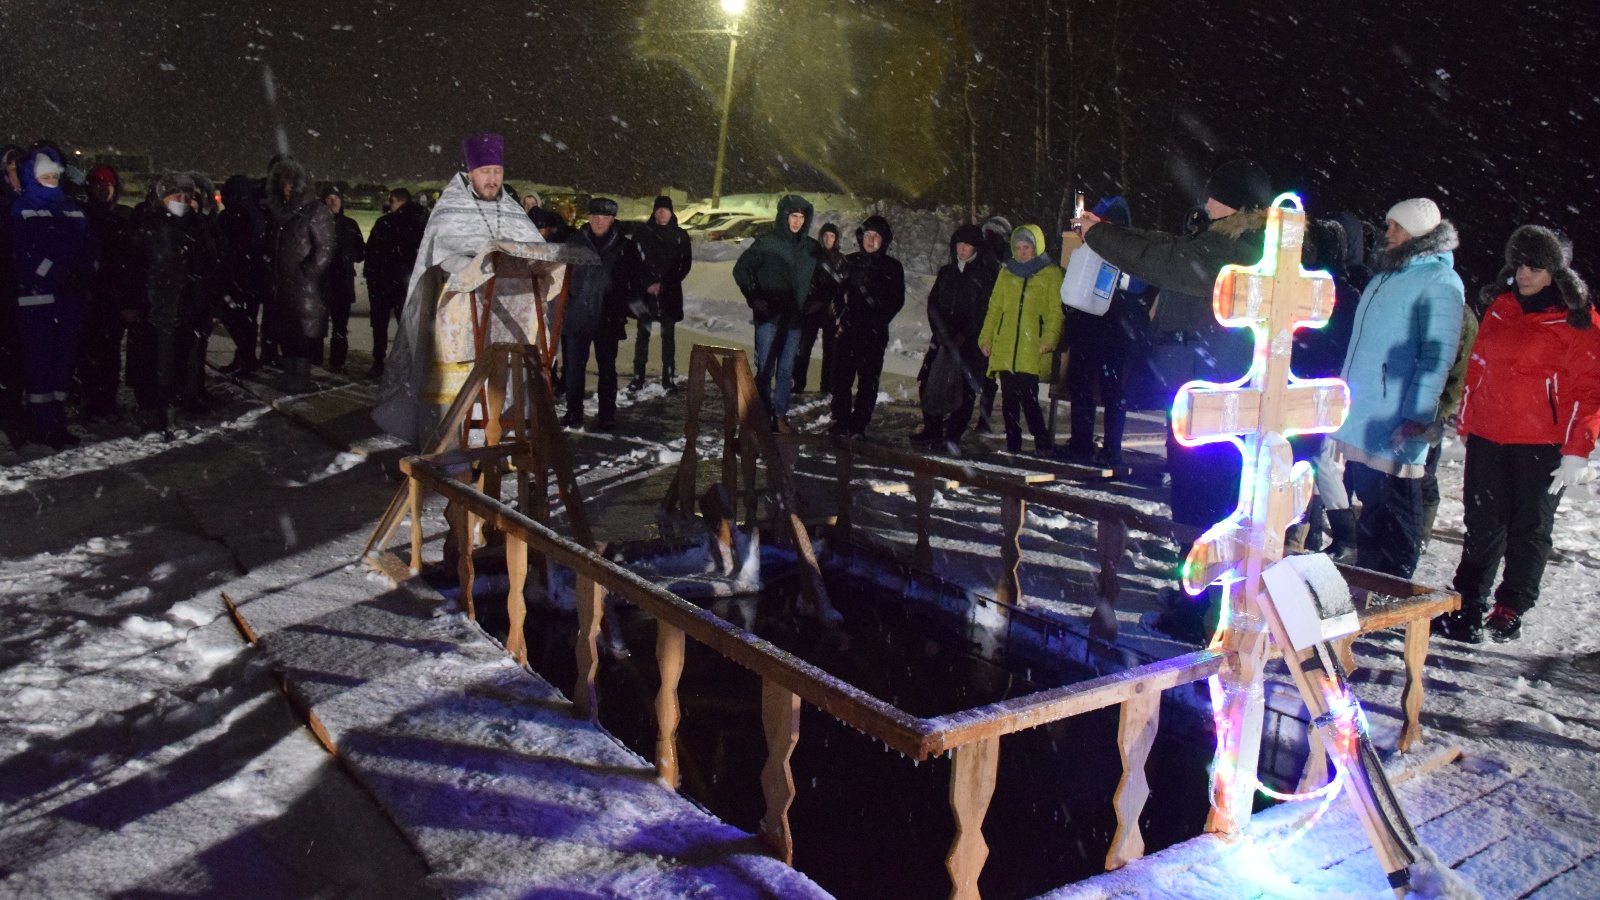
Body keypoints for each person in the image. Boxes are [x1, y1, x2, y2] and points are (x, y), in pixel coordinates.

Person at [1072, 159, 1275, 642]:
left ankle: (1199, 612)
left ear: (1233, 204)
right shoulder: (1236, 243)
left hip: (1212, 394)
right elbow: (1168, 246)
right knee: (1203, 497)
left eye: (1213, 197)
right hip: (1211, 388)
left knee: (1200, 501)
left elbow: (1164, 259)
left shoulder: (1235, 249)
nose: (1205, 203)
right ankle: (1198, 598)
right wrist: (1108, 231)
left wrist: (1099, 237)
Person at [1435, 226, 1598, 644]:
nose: (1524, 274)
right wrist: (1468, 420)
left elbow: (1590, 391)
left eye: (1535, 267)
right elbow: (1478, 367)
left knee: (1529, 529)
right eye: (1520, 264)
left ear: (1556, 272)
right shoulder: (1501, 307)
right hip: (1489, 437)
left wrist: (1577, 449)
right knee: (1482, 526)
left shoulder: (1577, 321)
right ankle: (1467, 607)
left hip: (1542, 445)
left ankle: (1511, 607)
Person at [1325, 198, 1465, 580]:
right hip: (1365, 413)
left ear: (1418, 232)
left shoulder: (1440, 281)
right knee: (1371, 506)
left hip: (1396, 418)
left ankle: (1396, 585)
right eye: (1388, 225)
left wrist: (1416, 419)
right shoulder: (1386, 276)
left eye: (1396, 226)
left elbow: (1437, 357)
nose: (1388, 233)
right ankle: (1370, 581)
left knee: (1399, 510)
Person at [374, 133, 545, 446]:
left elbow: (537, 252)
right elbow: (441, 256)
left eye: (497, 172)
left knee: (502, 379)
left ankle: (498, 444)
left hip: (505, 316)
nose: (492, 179)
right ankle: (453, 446)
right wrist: (479, 266)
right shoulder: (450, 209)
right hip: (461, 313)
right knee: (460, 382)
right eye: (486, 172)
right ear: (471, 174)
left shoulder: (513, 211)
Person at [7, 146, 97, 448]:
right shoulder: (22, 210)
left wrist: (83, 271)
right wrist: (58, 271)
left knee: (63, 364)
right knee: (40, 366)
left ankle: (57, 422)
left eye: (53, 176)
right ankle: (42, 425)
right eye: (44, 176)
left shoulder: (71, 208)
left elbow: (89, 247)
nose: (50, 180)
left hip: (70, 299)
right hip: (39, 301)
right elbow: (26, 256)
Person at [1059, 196, 1153, 467]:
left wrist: (1119, 278)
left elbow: (1139, 285)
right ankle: (1081, 443)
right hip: (1089, 326)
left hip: (1114, 330)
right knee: (1081, 384)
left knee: (1112, 390)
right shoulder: (1091, 247)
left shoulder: (1130, 250)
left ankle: (1111, 449)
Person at [732, 194, 821, 431]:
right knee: (765, 369)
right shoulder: (767, 243)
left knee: (786, 370)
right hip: (769, 317)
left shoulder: (810, 248)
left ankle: (780, 416)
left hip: (794, 319)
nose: (797, 221)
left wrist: (817, 300)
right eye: (793, 216)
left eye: (802, 217)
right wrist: (754, 297)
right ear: (784, 216)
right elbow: (741, 270)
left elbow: (827, 277)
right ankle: (762, 414)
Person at [126, 172, 201, 435]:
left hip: (183, 309)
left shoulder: (194, 227)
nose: (182, 201)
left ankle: (170, 412)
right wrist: (132, 302)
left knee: (177, 364)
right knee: (152, 363)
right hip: (152, 309)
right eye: (176, 196)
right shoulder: (149, 225)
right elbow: (133, 268)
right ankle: (150, 409)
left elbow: (206, 268)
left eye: (186, 197)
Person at [912, 223, 997, 453]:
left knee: (964, 391)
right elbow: (933, 304)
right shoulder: (947, 273)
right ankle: (932, 429)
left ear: (975, 248)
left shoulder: (984, 276)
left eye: (967, 245)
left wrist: (964, 335)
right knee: (928, 382)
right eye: (959, 244)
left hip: (968, 343)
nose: (962, 249)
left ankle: (953, 437)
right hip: (942, 339)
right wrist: (940, 331)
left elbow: (983, 310)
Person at [979, 224, 1063, 454]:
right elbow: (994, 309)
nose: (1022, 252)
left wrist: (1049, 338)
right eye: (1018, 247)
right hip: (1006, 346)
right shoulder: (1007, 274)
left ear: (1036, 247)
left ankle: (1041, 442)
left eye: (1026, 247)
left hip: (1032, 347)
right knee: (1008, 399)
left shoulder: (1051, 274)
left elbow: (1055, 311)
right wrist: (986, 338)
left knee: (1029, 397)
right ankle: (1013, 444)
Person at [264, 156, 335, 392]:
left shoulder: (316, 211)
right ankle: (290, 373)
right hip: (285, 286)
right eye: (282, 184)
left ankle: (301, 376)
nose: (286, 189)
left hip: (305, 288)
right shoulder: (282, 214)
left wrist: (306, 272)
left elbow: (325, 248)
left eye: (290, 184)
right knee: (288, 331)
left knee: (303, 333)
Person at [831, 215, 905, 438]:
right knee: (841, 379)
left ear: (884, 240)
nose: (871, 240)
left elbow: (897, 300)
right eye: (867, 235)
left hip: (874, 333)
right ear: (860, 237)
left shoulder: (892, 267)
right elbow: (836, 292)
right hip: (848, 330)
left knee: (868, 381)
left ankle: (859, 425)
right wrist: (840, 317)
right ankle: (841, 421)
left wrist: (877, 319)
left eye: (876, 236)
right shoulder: (849, 262)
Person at [561, 198, 631, 430]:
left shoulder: (623, 246)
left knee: (607, 368)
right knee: (574, 368)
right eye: (595, 217)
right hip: (578, 314)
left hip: (608, 316)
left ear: (612, 220)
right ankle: (573, 413)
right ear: (588, 218)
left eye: (605, 217)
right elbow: (560, 275)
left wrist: (629, 305)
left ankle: (606, 414)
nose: (599, 221)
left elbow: (633, 280)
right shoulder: (575, 242)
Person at [76, 163, 134, 420]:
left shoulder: (123, 217)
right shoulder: (82, 215)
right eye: (98, 184)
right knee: (88, 352)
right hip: (88, 295)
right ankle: (91, 401)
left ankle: (107, 401)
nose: (103, 189)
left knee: (110, 353)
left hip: (114, 296)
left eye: (108, 184)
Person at [627, 196, 692, 394]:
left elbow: (684, 264)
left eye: (666, 209)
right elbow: (634, 260)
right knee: (643, 334)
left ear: (671, 212)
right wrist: (647, 283)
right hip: (646, 292)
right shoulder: (643, 232)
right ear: (654, 211)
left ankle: (668, 378)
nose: (662, 213)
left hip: (669, 293)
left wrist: (664, 284)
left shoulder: (680, 235)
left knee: (668, 336)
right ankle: (638, 377)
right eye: (659, 209)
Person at [363, 188, 428, 379]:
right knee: (406, 326)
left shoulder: (386, 223)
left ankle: (380, 362)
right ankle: (407, 365)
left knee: (382, 325)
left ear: (400, 201)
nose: (389, 204)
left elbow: (372, 252)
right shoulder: (420, 222)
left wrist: (373, 276)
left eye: (391, 201)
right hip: (404, 281)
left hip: (386, 281)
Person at [215, 174, 269, 375]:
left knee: (240, 318)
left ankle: (246, 359)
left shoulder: (241, 214)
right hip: (246, 274)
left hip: (242, 274)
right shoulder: (251, 213)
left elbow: (235, 245)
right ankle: (245, 358)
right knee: (244, 318)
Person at [793, 222, 846, 396]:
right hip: (812, 310)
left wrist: (837, 306)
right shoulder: (813, 258)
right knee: (804, 348)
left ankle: (827, 386)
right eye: (825, 236)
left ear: (836, 239)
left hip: (831, 311)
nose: (828, 239)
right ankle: (798, 383)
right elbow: (806, 282)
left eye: (831, 236)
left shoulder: (842, 261)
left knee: (830, 351)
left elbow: (843, 287)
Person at [318, 187, 366, 373]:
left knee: (340, 326)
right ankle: (315, 359)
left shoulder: (349, 224)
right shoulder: (317, 222)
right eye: (329, 198)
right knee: (318, 324)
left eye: (336, 197)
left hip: (342, 281)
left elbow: (361, 250)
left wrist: (348, 256)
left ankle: (337, 362)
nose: (333, 201)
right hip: (321, 281)